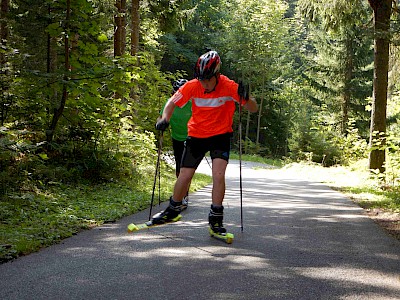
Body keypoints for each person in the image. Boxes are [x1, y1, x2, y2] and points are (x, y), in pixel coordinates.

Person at [153, 50, 258, 234]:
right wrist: (165, 119)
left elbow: (253, 108)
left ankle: (216, 218)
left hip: (220, 135)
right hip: (197, 135)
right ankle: (172, 210)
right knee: (185, 174)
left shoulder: (228, 86)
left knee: (218, 175)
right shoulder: (192, 86)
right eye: (202, 79)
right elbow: (171, 102)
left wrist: (246, 97)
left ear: (217, 75)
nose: (205, 84)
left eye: (208, 79)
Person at [159, 79, 191, 209]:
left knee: (186, 168)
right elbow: (162, 117)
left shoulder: (192, 104)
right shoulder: (170, 103)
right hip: (176, 137)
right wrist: (160, 124)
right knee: (179, 168)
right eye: (176, 92)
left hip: (191, 138)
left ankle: (184, 196)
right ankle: (182, 193)